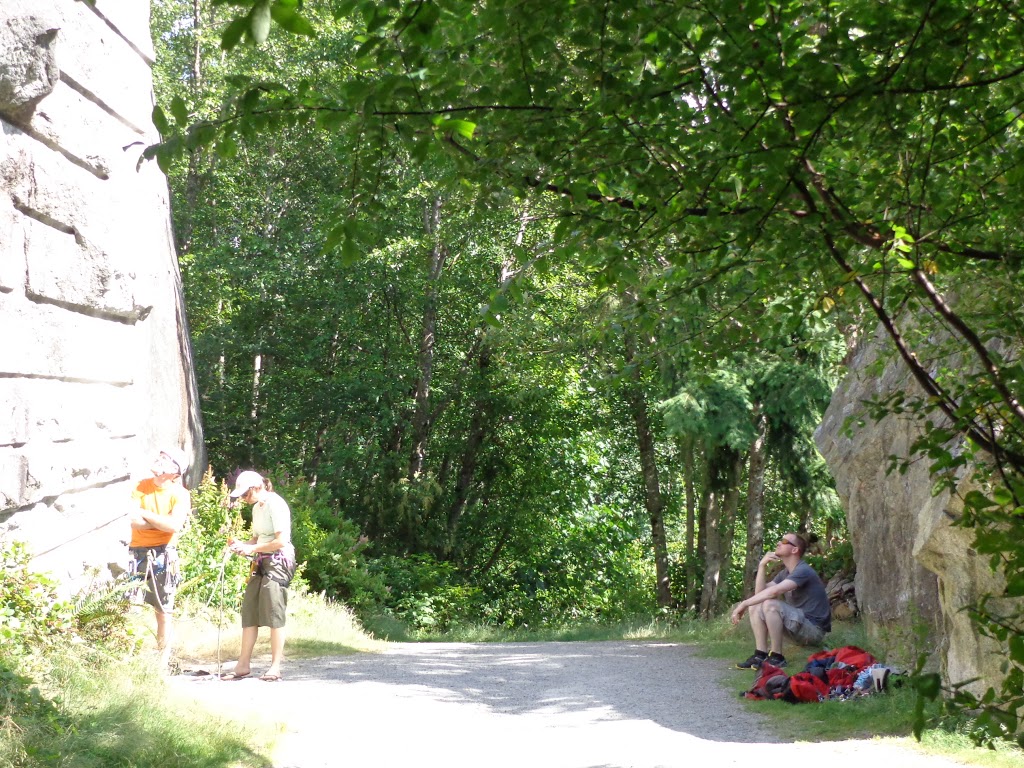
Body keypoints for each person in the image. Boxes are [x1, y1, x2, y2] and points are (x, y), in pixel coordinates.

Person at [223, 470, 295, 682]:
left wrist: (252, 549)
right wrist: (241, 546)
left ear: (255, 488)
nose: (244, 500)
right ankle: (242, 665)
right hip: (261, 560)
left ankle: (275, 667)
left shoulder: (275, 503)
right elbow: (257, 539)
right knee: (250, 610)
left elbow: (281, 541)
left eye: (245, 495)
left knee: (273, 611)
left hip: (279, 561)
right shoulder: (257, 508)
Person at [127, 447, 191, 667]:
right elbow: (134, 520)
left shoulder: (180, 494)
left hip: (165, 554)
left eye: (164, 458)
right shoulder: (139, 486)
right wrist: (159, 521)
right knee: (131, 605)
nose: (157, 459)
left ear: (174, 470)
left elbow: (174, 525)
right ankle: (129, 656)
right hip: (137, 554)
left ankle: (161, 662)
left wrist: (145, 514)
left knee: (163, 609)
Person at [731, 532, 831, 669]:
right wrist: (762, 566)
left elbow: (774, 592)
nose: (778, 543)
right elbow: (760, 593)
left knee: (770, 604)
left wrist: (743, 603)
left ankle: (777, 657)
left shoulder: (803, 570)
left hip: (813, 630)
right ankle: (760, 654)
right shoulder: (785, 573)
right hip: (798, 626)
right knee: (756, 603)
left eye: (784, 541)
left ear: (795, 549)